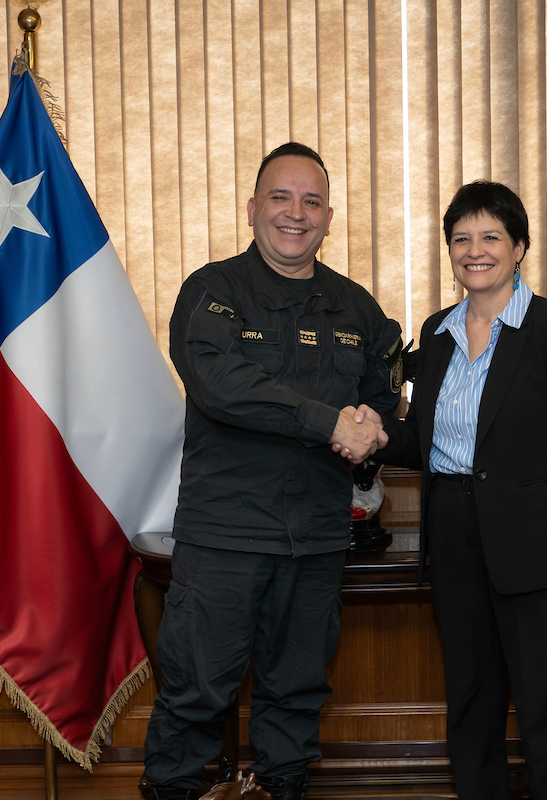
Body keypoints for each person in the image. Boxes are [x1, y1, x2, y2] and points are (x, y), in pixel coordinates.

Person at [144, 142, 406, 800]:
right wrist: (329, 424)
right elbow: (222, 385)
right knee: (197, 692)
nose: (296, 213)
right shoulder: (213, 291)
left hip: (315, 537)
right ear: (254, 207)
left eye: (311, 201)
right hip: (226, 536)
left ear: (329, 216)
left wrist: (373, 423)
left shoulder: (353, 306)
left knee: (295, 696)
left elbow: (382, 385)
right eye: (281, 198)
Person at [348, 181, 547, 799]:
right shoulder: (437, 331)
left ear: (519, 247)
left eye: (491, 236)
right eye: (461, 238)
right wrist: (377, 432)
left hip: (541, 543)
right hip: (454, 534)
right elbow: (425, 440)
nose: (475, 250)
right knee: (470, 700)